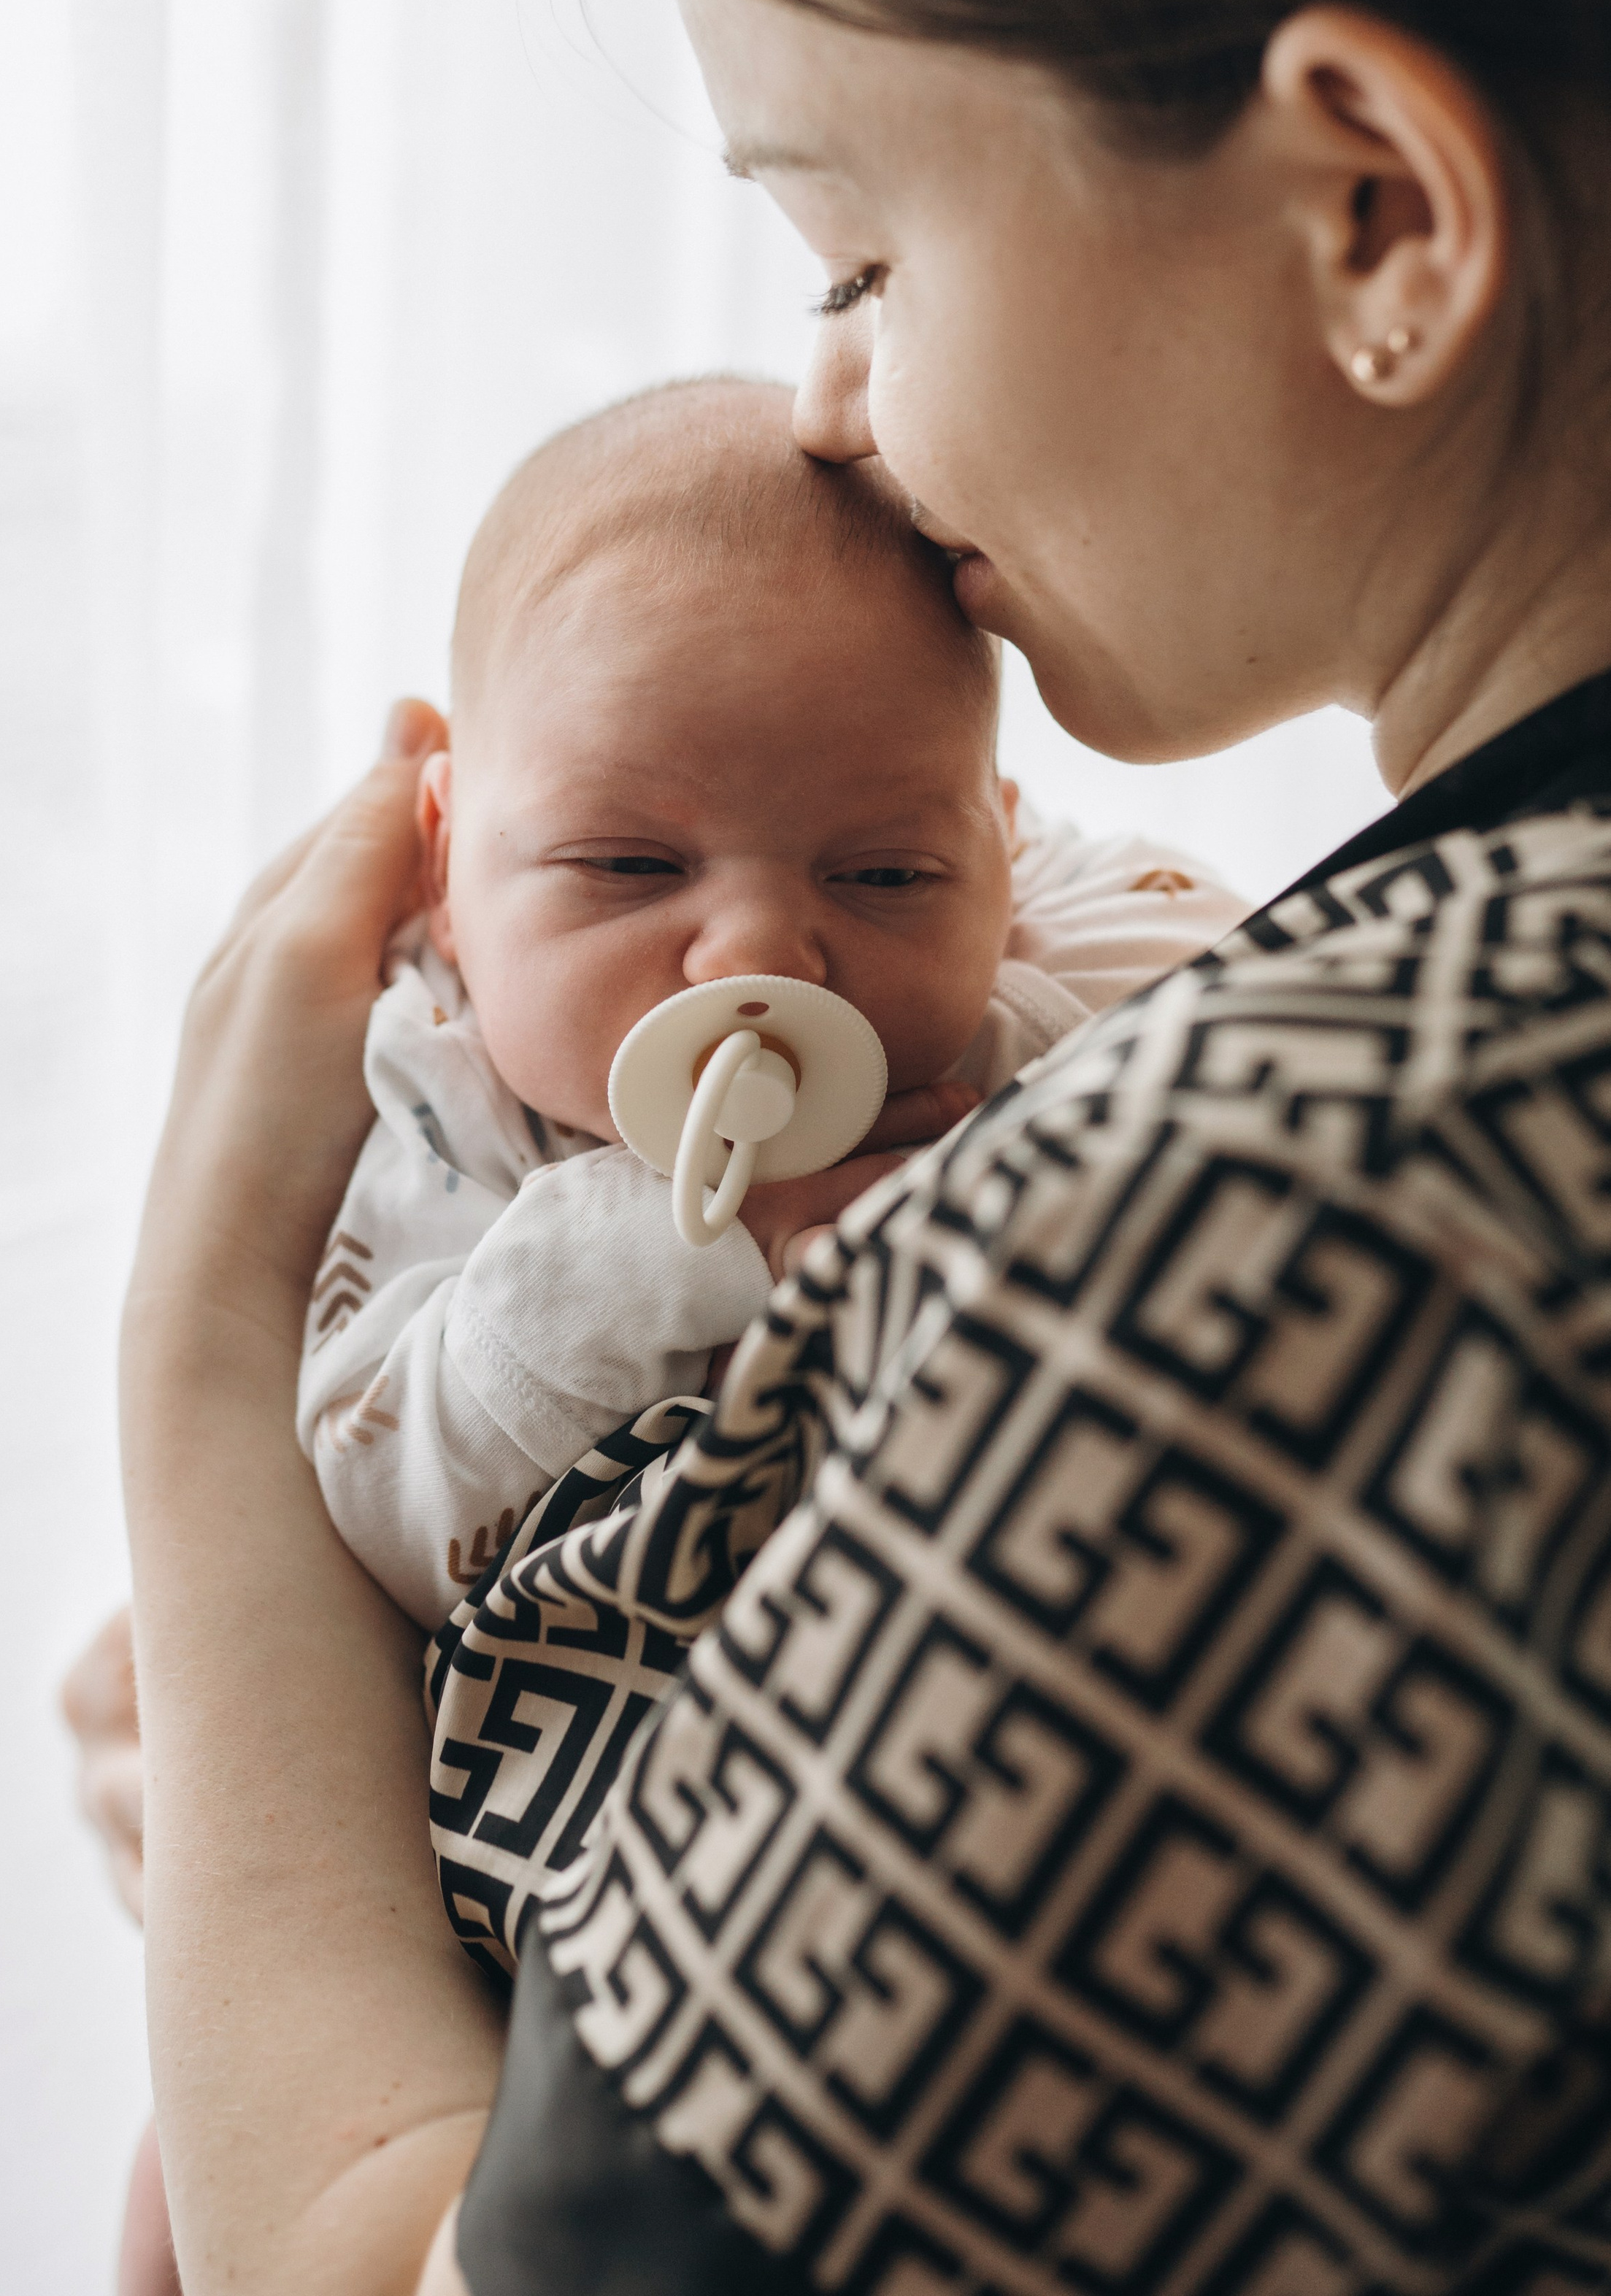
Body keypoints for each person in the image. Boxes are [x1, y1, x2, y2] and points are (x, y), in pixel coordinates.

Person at [89, 0, 1611, 2287]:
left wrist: (205, 1404)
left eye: (863, 254)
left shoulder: (1295, 1206)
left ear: (1376, 211)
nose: (826, 413)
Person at [300, 377, 1239, 1633]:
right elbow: (377, 1512)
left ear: (1006, 863)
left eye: (883, 876)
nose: (761, 961)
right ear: (445, 869)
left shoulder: (1027, 971)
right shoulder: (448, 1099)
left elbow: (1243, 1006)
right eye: (629, 865)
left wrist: (1012, 1048)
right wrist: (666, 1248)